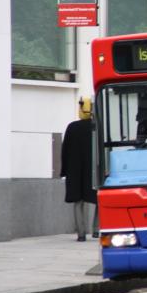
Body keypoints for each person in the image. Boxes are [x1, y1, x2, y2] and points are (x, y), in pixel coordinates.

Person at [61, 97, 98, 241]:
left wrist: (64, 170)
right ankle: (97, 230)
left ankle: (81, 234)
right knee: (98, 199)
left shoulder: (72, 127)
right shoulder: (97, 126)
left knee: (78, 202)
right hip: (94, 169)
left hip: (75, 170)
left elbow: (65, 150)